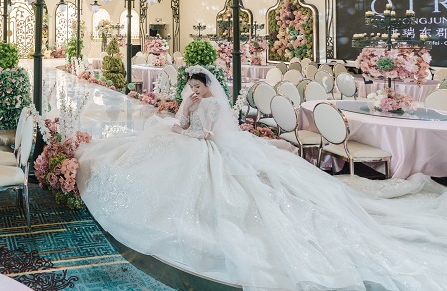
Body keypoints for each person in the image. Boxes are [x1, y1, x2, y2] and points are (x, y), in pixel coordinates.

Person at [76, 66, 447, 291]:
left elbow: (204, 134)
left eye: (197, 87)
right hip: (191, 138)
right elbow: (186, 122)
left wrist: (184, 129)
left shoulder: (214, 104)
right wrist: (184, 112)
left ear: (207, 86)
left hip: (206, 146)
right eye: (191, 88)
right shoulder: (194, 100)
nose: (193, 91)